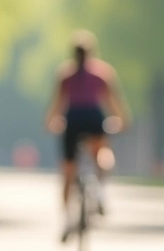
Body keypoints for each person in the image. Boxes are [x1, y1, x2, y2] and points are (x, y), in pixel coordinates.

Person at [45, 31, 129, 240]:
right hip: (93, 117)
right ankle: (101, 191)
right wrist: (122, 120)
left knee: (68, 168)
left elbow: (57, 103)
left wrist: (50, 122)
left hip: (73, 119)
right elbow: (113, 101)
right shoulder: (103, 73)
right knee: (101, 152)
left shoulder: (65, 74)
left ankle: (67, 219)